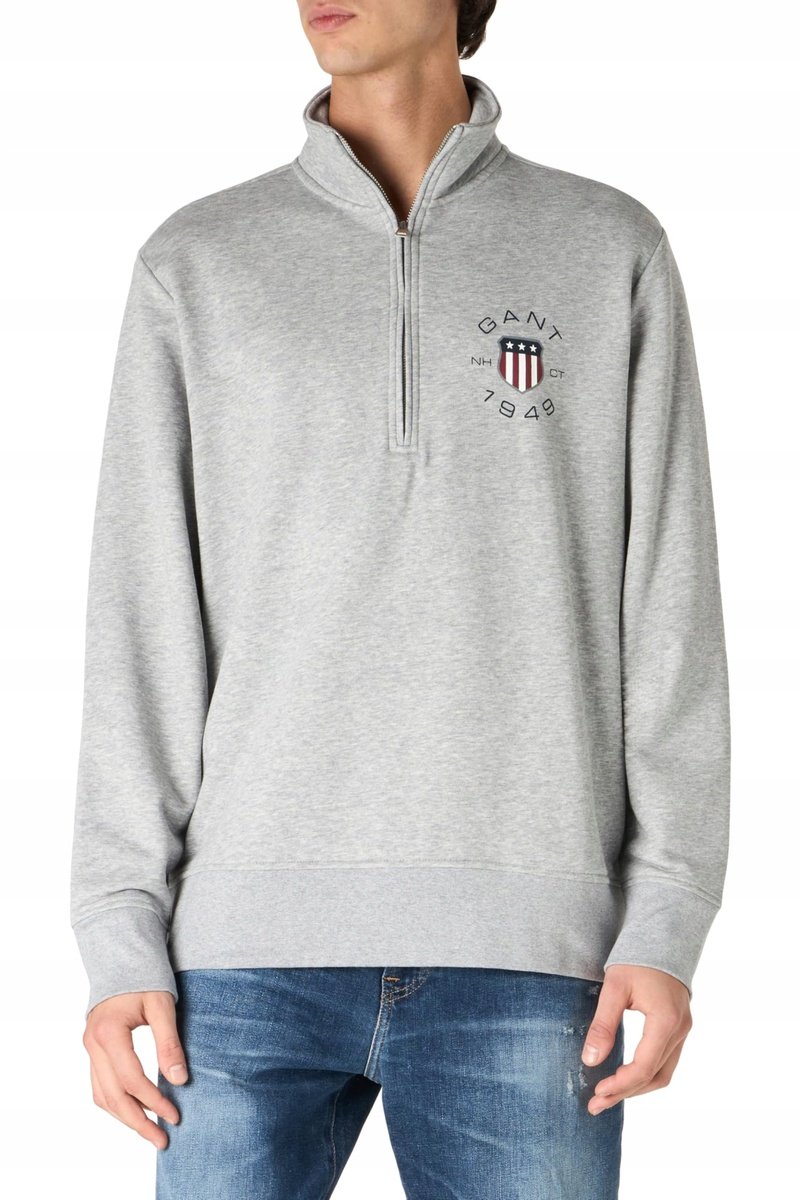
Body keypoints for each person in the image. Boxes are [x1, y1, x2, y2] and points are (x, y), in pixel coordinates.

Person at [70, 2, 731, 1196]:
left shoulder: (604, 248)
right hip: (236, 962)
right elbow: (141, 613)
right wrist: (120, 932)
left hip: (533, 955)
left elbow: (668, 606)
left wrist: (667, 913)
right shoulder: (199, 261)